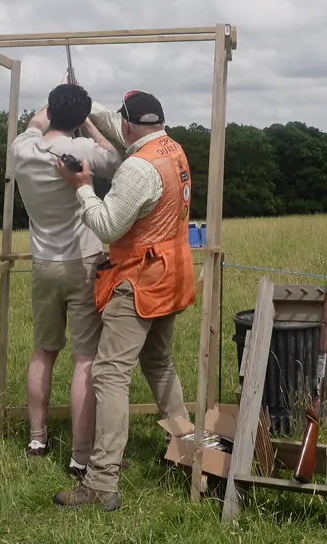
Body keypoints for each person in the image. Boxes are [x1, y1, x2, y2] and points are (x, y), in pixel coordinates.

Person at [51, 90, 196, 511]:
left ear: (130, 126)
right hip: (171, 273)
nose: (118, 126)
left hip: (139, 280)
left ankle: (101, 482)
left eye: (121, 121)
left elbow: (107, 225)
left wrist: (82, 187)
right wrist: (84, 100)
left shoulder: (136, 168)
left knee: (110, 375)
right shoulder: (171, 148)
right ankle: (186, 447)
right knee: (159, 362)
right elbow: (117, 126)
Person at [10, 81, 122, 479]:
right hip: (83, 261)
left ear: (52, 111)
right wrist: (89, 124)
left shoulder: (22, 149)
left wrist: (56, 109)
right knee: (84, 359)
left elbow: (34, 122)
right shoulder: (84, 150)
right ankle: (79, 455)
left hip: (44, 264)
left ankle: (37, 439)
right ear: (77, 119)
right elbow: (117, 155)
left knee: (43, 352)